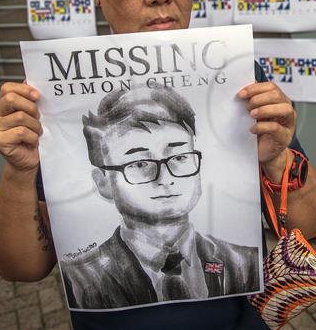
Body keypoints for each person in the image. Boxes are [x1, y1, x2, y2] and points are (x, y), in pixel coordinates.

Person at [0, 0, 316, 329]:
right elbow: (20, 268)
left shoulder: (240, 79)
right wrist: (18, 170)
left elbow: (313, 224)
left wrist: (280, 159)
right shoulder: (57, 98)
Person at [61, 86, 259, 309]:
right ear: (103, 182)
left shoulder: (244, 262)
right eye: (139, 163)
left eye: (180, 156)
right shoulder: (81, 278)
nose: (165, 179)